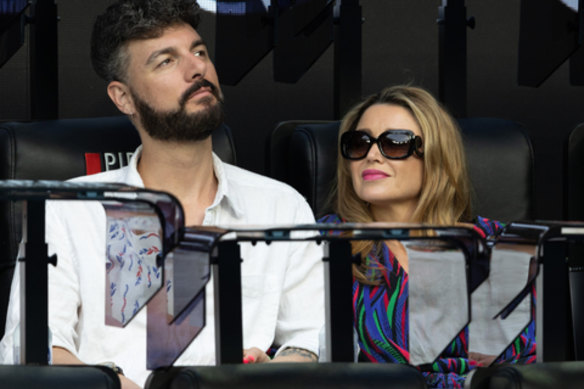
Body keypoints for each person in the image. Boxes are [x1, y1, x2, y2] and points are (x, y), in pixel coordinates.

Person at [0, 0, 324, 388]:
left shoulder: (279, 206)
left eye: (199, 52)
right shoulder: (70, 209)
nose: (197, 68)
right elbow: (31, 348)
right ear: (123, 98)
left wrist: (277, 369)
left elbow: (316, 337)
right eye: (166, 61)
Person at [319, 85, 535, 388]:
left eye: (394, 143)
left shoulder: (498, 243)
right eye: (359, 143)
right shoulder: (323, 242)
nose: (371, 155)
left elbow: (519, 361)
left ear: (436, 156)